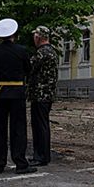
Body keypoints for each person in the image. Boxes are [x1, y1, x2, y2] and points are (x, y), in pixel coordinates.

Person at [0, 18, 37, 175]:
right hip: (18, 93)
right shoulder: (22, 50)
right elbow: (29, 70)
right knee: (18, 129)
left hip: (0, 93)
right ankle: (20, 163)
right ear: (14, 34)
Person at [28, 26, 59, 167]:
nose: (34, 38)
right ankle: (43, 155)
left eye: (35, 35)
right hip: (47, 94)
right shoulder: (52, 51)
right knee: (43, 125)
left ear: (39, 37)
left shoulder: (41, 53)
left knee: (39, 126)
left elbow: (30, 69)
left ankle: (40, 156)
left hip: (39, 94)